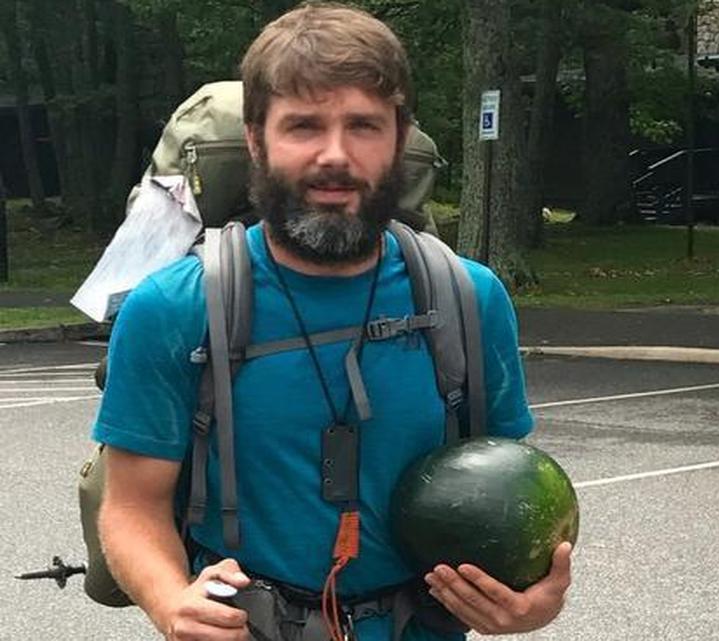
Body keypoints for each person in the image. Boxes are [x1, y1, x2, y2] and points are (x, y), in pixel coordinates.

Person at [94, 3, 572, 640]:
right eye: (304, 126)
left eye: (364, 126)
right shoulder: (174, 309)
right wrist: (168, 602)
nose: (335, 155)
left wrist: (534, 599)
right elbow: (131, 506)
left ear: (398, 140)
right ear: (259, 140)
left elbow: (512, 490)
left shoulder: (469, 298)